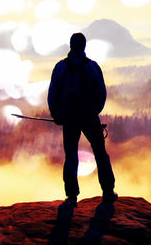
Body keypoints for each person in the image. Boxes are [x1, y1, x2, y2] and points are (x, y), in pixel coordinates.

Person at [48, 33, 117, 207]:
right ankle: (108, 191)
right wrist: (93, 112)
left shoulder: (60, 68)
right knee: (100, 153)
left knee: (71, 155)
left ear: (71, 45)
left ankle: (71, 197)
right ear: (84, 46)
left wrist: (57, 115)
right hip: (89, 117)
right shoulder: (92, 67)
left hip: (69, 118)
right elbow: (101, 93)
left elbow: (53, 94)